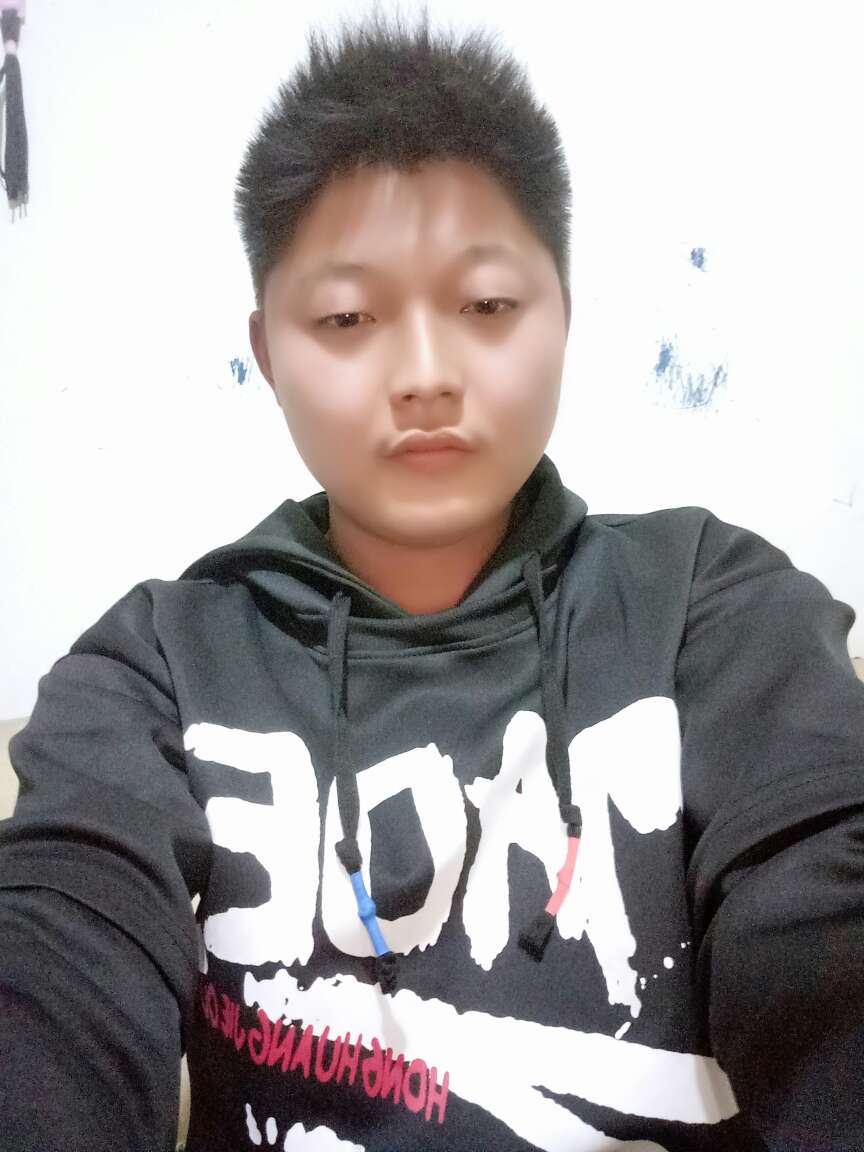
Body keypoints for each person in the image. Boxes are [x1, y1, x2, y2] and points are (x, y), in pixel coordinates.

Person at [2, 8, 863, 1151]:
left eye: (487, 305)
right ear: (268, 353)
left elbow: (821, 918)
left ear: (564, 317)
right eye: (347, 317)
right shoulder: (159, 664)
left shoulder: (711, 607)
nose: (423, 374)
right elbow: (59, 949)